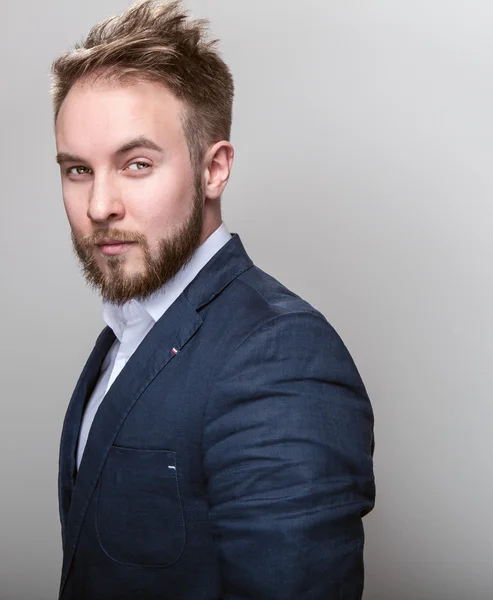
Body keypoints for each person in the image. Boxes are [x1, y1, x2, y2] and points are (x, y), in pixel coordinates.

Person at [51, 1, 375, 598]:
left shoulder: (280, 355)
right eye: (77, 170)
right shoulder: (130, 331)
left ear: (214, 169)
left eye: (137, 164)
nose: (99, 206)